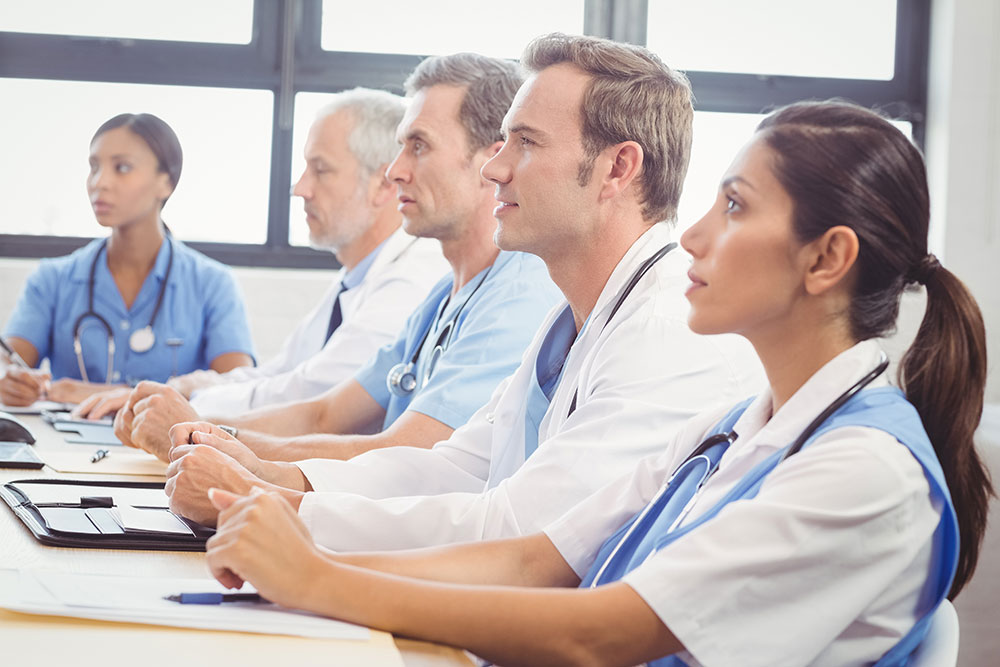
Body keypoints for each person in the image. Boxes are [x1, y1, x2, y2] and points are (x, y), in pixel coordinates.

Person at [201, 99, 992, 666]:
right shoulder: (731, 428)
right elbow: (535, 561)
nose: (694, 234)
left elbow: (601, 632)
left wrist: (319, 575)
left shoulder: (866, 474)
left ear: (827, 259)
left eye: (736, 205)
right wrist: (304, 551)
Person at [164, 32, 761, 552]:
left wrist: (271, 505)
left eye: (525, 142)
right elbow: (456, 467)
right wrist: (269, 475)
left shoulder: (667, 336)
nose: (495, 169)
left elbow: (517, 533)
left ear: (617, 169)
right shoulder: (574, 319)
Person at [111, 54, 563, 463]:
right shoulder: (444, 295)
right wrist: (195, 428)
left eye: (419, 146)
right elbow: (325, 413)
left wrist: (192, 435)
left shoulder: (517, 296)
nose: (395, 170)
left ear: (491, 159)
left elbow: (406, 454)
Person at [74, 89, 447, 420]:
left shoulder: (409, 282)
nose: (300, 188)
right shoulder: (355, 279)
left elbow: (310, 393)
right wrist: (179, 390)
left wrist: (186, 406)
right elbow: (278, 373)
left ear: (382, 184)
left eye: (320, 170)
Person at [0, 113, 254, 407]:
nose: (99, 182)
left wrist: (111, 394)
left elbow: (238, 389)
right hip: (63, 448)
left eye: (121, 168)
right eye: (93, 167)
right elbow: (9, 364)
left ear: (166, 183)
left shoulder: (213, 284)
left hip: (167, 450)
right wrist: (9, 381)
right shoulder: (52, 279)